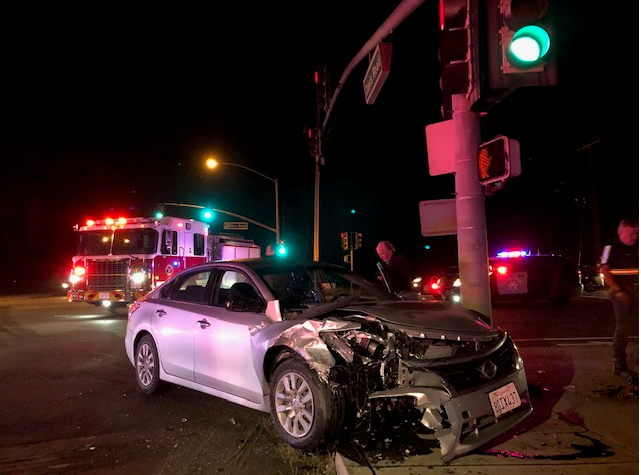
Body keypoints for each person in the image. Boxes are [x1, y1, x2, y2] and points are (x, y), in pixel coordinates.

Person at [600, 219, 639, 382]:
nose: (635, 236)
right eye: (632, 233)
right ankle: (619, 366)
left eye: (637, 232)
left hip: (636, 290)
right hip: (621, 293)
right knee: (623, 329)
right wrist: (618, 291)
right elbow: (605, 270)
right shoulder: (611, 248)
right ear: (621, 232)